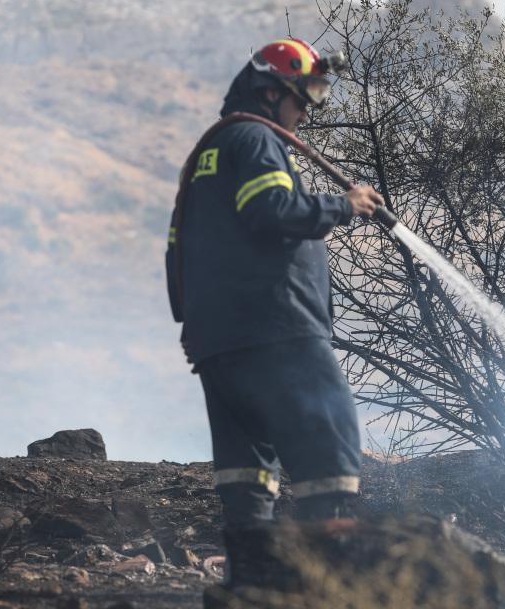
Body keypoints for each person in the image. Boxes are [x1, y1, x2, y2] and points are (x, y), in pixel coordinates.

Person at [164, 39, 383, 602]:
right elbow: (272, 213)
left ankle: (251, 589)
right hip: (279, 331)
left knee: (246, 474)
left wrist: (194, 327)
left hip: (221, 346)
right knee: (329, 453)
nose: (306, 112)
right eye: (301, 97)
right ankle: (325, 588)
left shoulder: (205, 158)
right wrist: (345, 205)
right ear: (269, 91)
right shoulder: (256, 139)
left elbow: (177, 250)